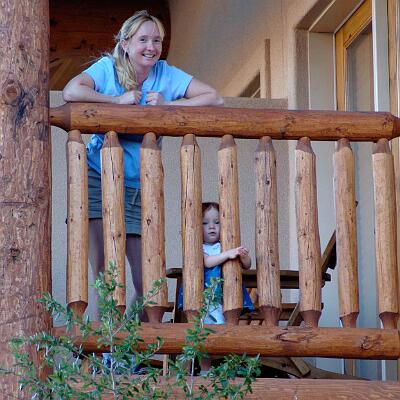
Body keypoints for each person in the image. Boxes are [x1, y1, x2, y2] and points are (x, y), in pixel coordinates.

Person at [62, 10, 223, 319]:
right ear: (125, 44)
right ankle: (105, 345)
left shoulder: (165, 73)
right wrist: (116, 102)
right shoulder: (108, 68)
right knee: (104, 272)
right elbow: (72, 91)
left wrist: (168, 105)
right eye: (143, 40)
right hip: (98, 179)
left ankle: (127, 340)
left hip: (139, 187)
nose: (151, 47)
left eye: (157, 41)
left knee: (145, 279)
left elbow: (214, 98)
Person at [198, 202, 254, 375]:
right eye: (205, 223)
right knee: (205, 332)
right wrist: (228, 254)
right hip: (208, 297)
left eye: (216, 222)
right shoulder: (200, 248)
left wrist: (243, 256)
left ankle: (230, 367)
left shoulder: (226, 244)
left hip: (227, 296)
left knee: (229, 330)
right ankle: (205, 369)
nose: (212, 227)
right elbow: (208, 262)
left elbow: (247, 265)